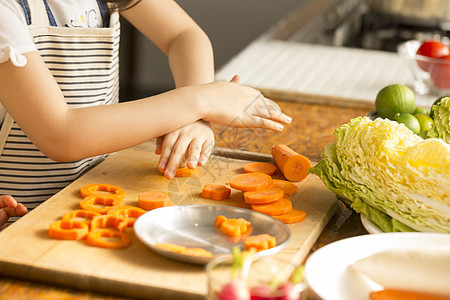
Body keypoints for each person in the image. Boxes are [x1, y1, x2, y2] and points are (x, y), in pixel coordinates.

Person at [0, 0, 292, 227]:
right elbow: (61, 134)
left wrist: (196, 121)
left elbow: (184, 34)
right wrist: (202, 99)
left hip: (90, 197)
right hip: (21, 219)